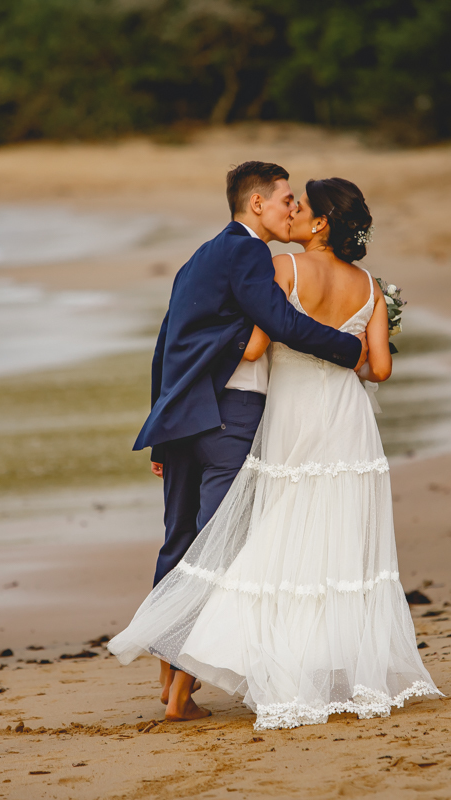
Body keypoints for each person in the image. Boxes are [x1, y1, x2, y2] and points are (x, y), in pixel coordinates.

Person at [112, 177, 441, 729]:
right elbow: (379, 368)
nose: (293, 213)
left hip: (291, 418)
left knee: (261, 540)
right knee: (336, 545)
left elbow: (262, 341)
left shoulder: (284, 270)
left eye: (302, 207)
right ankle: (340, 670)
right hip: (347, 420)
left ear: (319, 224)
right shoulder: (371, 287)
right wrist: (346, 352)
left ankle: (181, 686)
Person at [132, 162, 369, 720]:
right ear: (256, 204)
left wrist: (163, 433)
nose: (292, 208)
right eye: (286, 199)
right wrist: (349, 351)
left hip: (187, 416)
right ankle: (179, 690)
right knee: (220, 545)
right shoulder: (249, 255)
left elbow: (166, 345)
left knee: (180, 543)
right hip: (229, 414)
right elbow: (280, 323)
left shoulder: (201, 256)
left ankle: (171, 678)